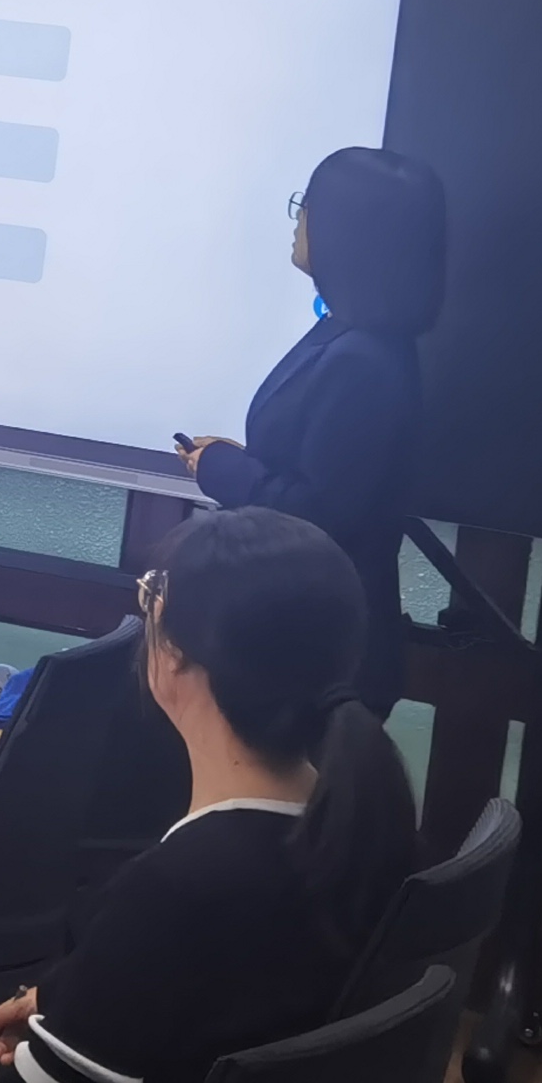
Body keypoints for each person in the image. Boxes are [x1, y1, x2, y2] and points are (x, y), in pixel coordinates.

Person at [0, 507, 420, 1083]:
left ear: (177, 653)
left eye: (150, 600)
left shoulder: (180, 887)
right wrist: (73, 1000)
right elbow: (215, 990)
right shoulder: (361, 828)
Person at [178, 145, 448, 713]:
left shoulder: (363, 359)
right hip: (303, 630)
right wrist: (245, 460)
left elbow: (319, 514)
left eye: (307, 207)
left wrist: (222, 469)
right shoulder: (351, 334)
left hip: (320, 652)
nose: (298, 220)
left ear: (346, 232)